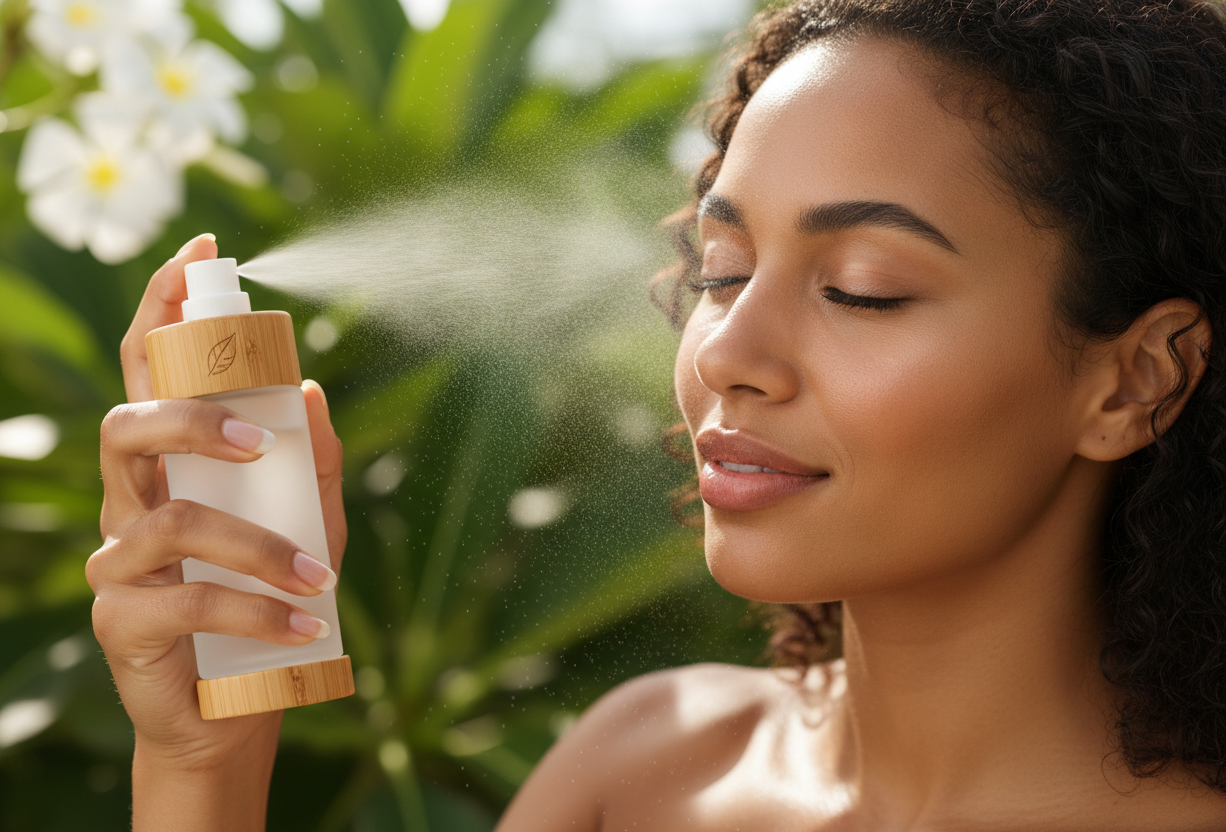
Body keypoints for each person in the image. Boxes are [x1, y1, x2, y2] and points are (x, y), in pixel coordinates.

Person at [89, 0, 1226, 828]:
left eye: (861, 287)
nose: (727, 350)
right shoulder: (642, 769)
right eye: (723, 270)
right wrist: (204, 762)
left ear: (1135, 381)